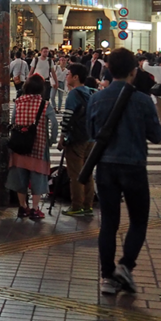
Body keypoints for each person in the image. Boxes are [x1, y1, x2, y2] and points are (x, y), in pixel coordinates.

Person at [86, 48, 161, 296]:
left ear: (108, 69)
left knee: (109, 222)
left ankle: (107, 277)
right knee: (138, 220)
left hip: (105, 167)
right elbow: (157, 136)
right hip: (134, 166)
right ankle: (126, 265)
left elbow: (91, 133)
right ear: (134, 71)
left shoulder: (96, 99)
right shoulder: (142, 99)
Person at [7, 75, 57, 221]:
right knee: (38, 177)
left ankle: (23, 207)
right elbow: (54, 124)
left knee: (19, 177)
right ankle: (35, 209)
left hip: (19, 146)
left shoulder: (18, 102)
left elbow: (13, 121)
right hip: (38, 146)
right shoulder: (45, 105)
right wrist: (51, 140)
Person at [58, 64, 96, 216]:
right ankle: (88, 205)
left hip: (77, 139)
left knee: (75, 174)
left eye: (68, 74)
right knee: (87, 172)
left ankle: (77, 206)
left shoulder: (74, 95)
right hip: (90, 137)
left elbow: (67, 118)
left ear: (75, 77)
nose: (66, 77)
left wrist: (62, 137)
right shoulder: (91, 92)